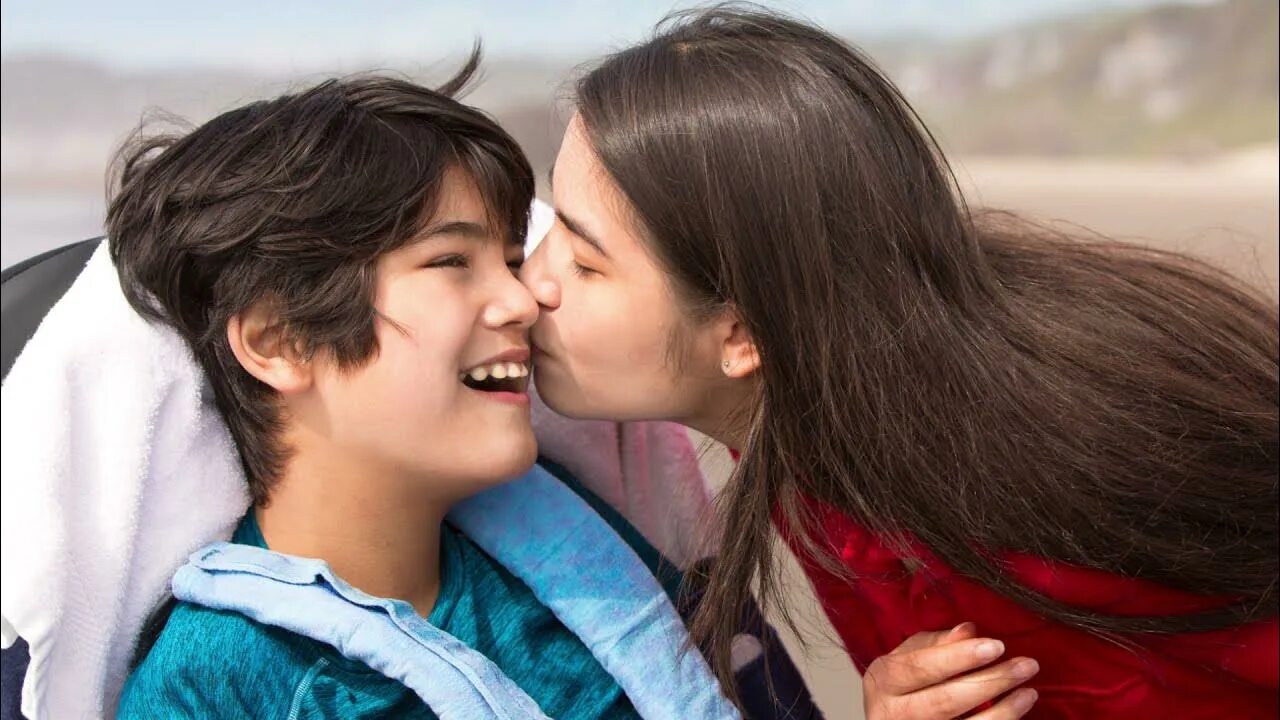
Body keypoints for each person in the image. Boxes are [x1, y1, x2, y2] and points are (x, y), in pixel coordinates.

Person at [521, 6, 1279, 719]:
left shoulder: (989, 500)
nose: (530, 279)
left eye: (584, 263)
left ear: (742, 333)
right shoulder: (857, 427)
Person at [109, 56, 745, 719]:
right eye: (451, 261)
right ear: (282, 342)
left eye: (509, 260)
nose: (522, 300)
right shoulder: (217, 682)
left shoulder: (576, 549)